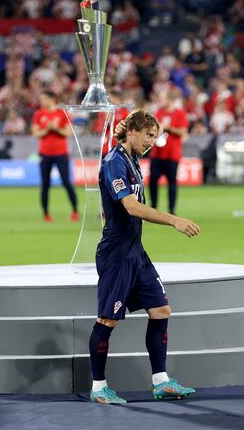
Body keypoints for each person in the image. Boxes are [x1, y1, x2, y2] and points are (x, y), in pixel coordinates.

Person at [89, 109, 200, 405]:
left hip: (135, 251)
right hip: (116, 254)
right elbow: (132, 207)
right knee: (106, 320)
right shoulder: (114, 162)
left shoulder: (132, 159)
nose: (153, 141)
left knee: (161, 310)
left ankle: (161, 382)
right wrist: (174, 220)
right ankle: (99, 387)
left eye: (156, 136)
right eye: (150, 135)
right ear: (133, 131)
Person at [31, 91, 78, 222]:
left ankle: (75, 211)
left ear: (52, 99)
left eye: (43, 98)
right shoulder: (39, 114)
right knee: (45, 184)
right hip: (45, 154)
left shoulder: (61, 113)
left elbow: (68, 132)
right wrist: (47, 129)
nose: (41, 102)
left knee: (66, 182)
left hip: (61, 153)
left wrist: (56, 128)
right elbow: (35, 134)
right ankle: (46, 214)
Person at [150, 90, 188, 215]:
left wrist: (169, 128)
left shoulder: (179, 114)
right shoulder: (159, 112)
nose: (160, 101)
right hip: (157, 153)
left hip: (172, 154)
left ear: (170, 99)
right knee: (153, 181)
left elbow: (183, 131)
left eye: (163, 98)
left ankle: (172, 209)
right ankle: (153, 207)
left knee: (172, 182)